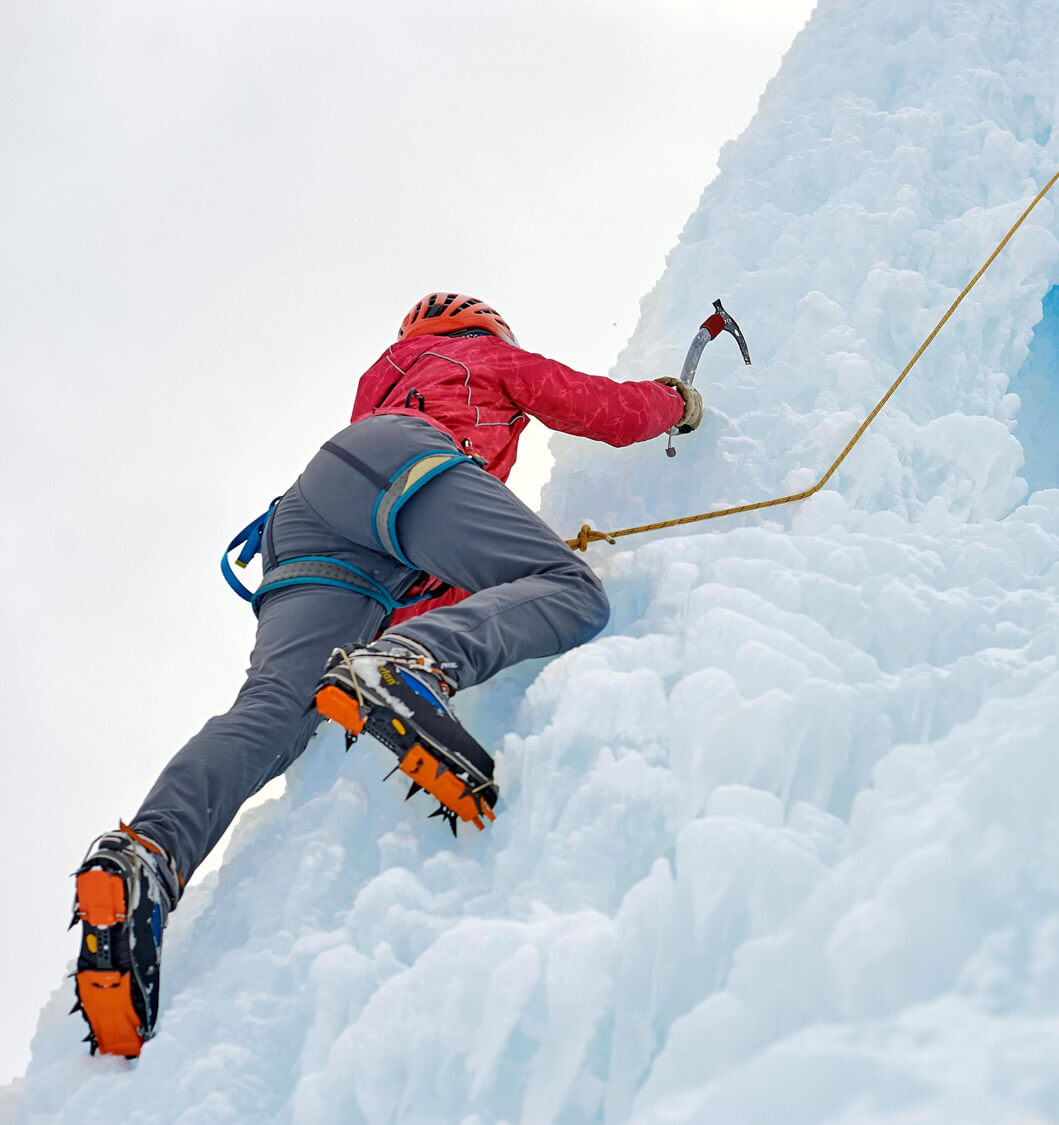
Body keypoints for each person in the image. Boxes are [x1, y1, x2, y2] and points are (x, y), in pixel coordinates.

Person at [69, 292, 703, 1057]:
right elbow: (592, 405)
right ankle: (413, 667)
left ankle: (146, 858)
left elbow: (423, 590)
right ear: (482, 329)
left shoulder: (384, 381)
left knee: (278, 707)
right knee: (570, 589)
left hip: (306, 517)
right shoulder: (479, 355)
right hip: (402, 467)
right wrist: (675, 402)